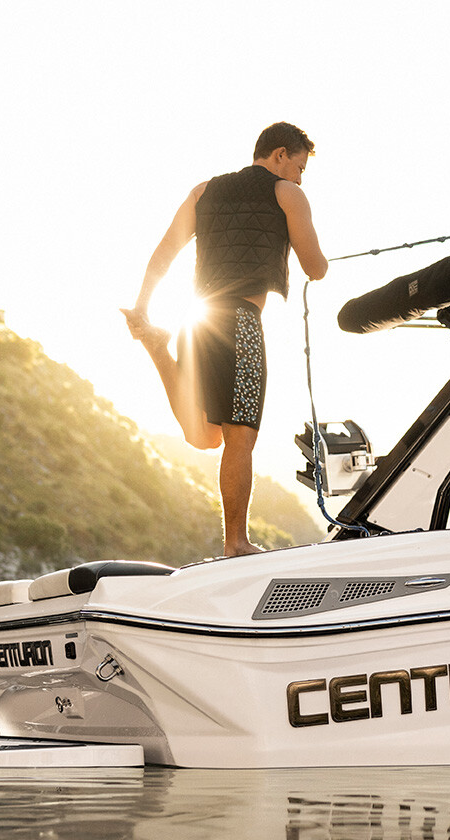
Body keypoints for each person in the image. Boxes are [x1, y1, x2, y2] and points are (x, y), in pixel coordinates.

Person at [123, 122, 329, 557]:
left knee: (204, 436)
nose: (299, 176)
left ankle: (159, 348)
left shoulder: (203, 192)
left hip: (197, 322)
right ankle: (236, 542)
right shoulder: (288, 194)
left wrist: (142, 306)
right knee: (239, 436)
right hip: (239, 322)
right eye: (299, 166)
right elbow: (316, 267)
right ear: (278, 155)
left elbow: (165, 251)